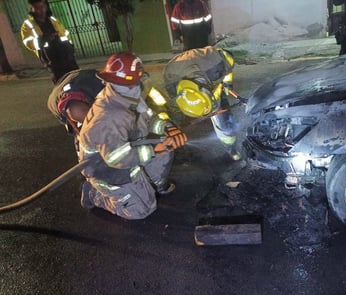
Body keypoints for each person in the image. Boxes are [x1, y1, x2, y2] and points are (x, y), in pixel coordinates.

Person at [78, 52, 187, 220]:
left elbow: (148, 118)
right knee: (143, 210)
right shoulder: (108, 117)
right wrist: (152, 150)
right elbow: (115, 159)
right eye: (136, 82)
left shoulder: (127, 95)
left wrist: (167, 128)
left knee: (166, 145)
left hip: (128, 146)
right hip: (105, 168)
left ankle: (155, 185)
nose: (140, 86)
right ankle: (94, 194)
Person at [163, 46, 245, 161]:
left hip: (208, 70)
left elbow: (229, 57)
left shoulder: (217, 66)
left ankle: (231, 148)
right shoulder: (171, 81)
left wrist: (227, 82)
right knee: (176, 120)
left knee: (224, 124)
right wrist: (169, 126)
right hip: (187, 71)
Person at [21, 0, 78, 83]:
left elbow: (65, 34)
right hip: (51, 59)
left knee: (76, 78)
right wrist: (45, 39)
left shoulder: (53, 20)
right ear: (31, 8)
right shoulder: (27, 25)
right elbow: (29, 43)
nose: (40, 10)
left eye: (42, 7)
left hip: (67, 55)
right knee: (61, 83)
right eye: (37, 8)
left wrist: (70, 46)